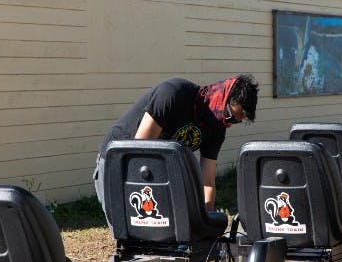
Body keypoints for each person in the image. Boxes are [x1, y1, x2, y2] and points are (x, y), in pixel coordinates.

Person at [93, 75, 259, 217]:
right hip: (118, 161)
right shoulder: (174, 94)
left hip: (152, 171)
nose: (228, 123)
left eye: (235, 121)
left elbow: (207, 183)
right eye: (230, 116)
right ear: (222, 97)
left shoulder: (217, 128)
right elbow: (139, 151)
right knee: (127, 226)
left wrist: (207, 218)